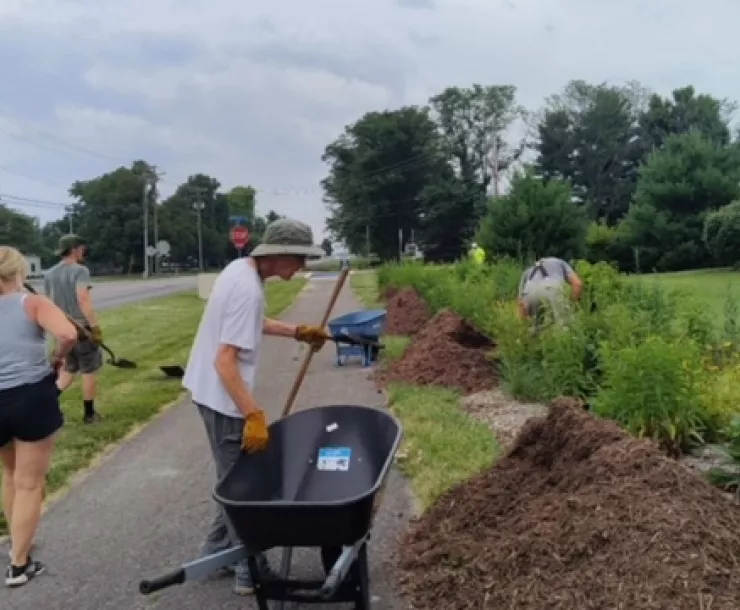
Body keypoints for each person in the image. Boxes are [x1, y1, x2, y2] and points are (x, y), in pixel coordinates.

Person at [182, 218, 330, 596]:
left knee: (232, 477)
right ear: (278, 254)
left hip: (209, 392)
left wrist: (296, 331)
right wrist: (254, 414)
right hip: (223, 398)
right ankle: (252, 571)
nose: (302, 267)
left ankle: (216, 550)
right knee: (244, 487)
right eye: (299, 258)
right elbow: (225, 360)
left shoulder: (239, 271)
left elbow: (248, 323)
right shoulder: (247, 287)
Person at [0, 246, 78, 587]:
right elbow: (68, 333)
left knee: (10, 472)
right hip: (30, 395)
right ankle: (19, 565)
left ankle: (18, 543)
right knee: (29, 483)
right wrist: (58, 358)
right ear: (19, 274)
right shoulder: (31, 303)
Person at [44, 234, 104, 424]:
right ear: (74, 249)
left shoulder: (50, 274)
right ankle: (89, 414)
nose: (83, 251)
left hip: (62, 328)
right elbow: (83, 299)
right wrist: (94, 327)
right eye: (81, 248)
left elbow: (49, 303)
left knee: (70, 368)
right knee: (88, 369)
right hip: (81, 329)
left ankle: (45, 404)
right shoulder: (80, 271)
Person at [517, 256, 583, 330]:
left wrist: (525, 327)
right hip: (552, 289)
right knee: (565, 328)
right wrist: (570, 305)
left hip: (529, 293)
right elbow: (578, 284)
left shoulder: (527, 271)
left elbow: (520, 304)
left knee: (536, 331)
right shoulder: (560, 262)